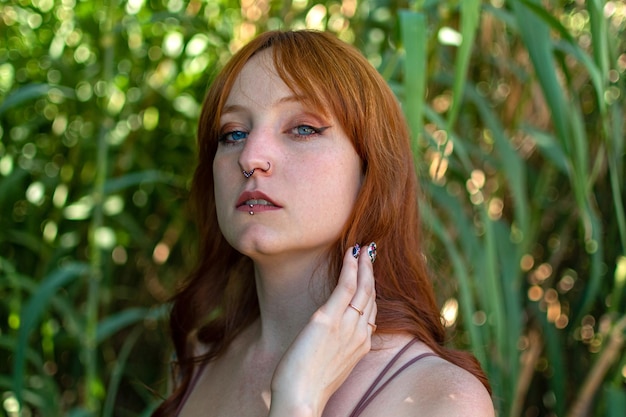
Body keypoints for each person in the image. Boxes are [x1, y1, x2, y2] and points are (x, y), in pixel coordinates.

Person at [152, 30, 494, 417]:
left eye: (303, 128)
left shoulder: (439, 400)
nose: (251, 156)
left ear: (370, 170)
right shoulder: (200, 360)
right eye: (233, 133)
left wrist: (298, 400)